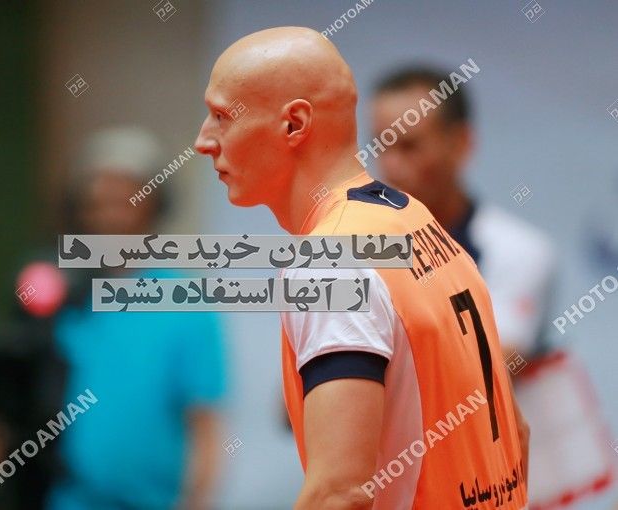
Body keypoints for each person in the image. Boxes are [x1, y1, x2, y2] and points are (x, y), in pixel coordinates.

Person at [195, 27, 529, 509]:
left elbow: (341, 492)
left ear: (294, 125)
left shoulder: (331, 261)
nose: (203, 141)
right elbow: (518, 433)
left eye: (222, 116)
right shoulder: (419, 223)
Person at [369, 66, 615, 509]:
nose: (390, 166)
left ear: (461, 144)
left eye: (409, 146)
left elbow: (484, 375)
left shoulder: (521, 251)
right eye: (381, 146)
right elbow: (294, 410)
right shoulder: (357, 255)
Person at [45, 126, 227, 510]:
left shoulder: (185, 301)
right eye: (96, 201)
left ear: (154, 205)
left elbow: (205, 423)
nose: (109, 213)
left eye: (124, 199)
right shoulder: (57, 298)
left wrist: (197, 501)